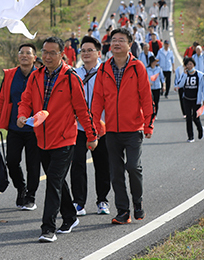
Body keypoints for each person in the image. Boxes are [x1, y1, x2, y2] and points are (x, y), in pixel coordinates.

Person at [17, 37, 98, 243]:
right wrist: (22, 115)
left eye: (52, 53)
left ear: (62, 54)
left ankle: (48, 228)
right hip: (42, 139)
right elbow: (26, 101)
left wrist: (91, 135)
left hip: (64, 139)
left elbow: (82, 110)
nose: (47, 56)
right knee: (58, 182)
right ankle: (70, 217)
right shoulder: (36, 76)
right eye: (45, 52)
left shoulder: (71, 78)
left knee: (53, 182)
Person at [91, 28, 154, 225]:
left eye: (121, 40)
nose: (116, 43)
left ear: (129, 45)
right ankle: (122, 211)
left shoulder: (138, 67)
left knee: (133, 167)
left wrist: (148, 125)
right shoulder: (103, 69)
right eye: (114, 40)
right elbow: (97, 100)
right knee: (115, 172)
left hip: (134, 129)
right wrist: (94, 127)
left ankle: (138, 201)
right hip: (111, 131)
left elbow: (146, 98)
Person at [0, 43, 40, 211]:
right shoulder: (10, 75)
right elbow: (2, 100)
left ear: (34, 57)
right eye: (21, 53)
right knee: (12, 161)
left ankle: (31, 196)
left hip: (35, 129)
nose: (24, 55)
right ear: (18, 56)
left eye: (28, 53)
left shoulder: (41, 75)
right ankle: (21, 187)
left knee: (33, 164)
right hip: (14, 127)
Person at [71, 36, 111, 216]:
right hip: (79, 127)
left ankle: (102, 200)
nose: (86, 53)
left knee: (102, 165)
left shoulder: (105, 72)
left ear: (98, 53)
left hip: (101, 127)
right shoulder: (74, 74)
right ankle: (78, 202)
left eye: (90, 50)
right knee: (77, 163)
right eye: (83, 50)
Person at [174, 57, 204, 142]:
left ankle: (200, 129)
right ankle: (190, 136)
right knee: (188, 118)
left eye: (191, 64)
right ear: (185, 66)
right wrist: (184, 75)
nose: (189, 66)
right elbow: (180, 84)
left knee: (195, 117)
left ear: (194, 64)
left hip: (196, 99)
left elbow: (203, 88)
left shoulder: (200, 75)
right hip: (186, 99)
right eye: (188, 64)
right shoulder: (184, 74)